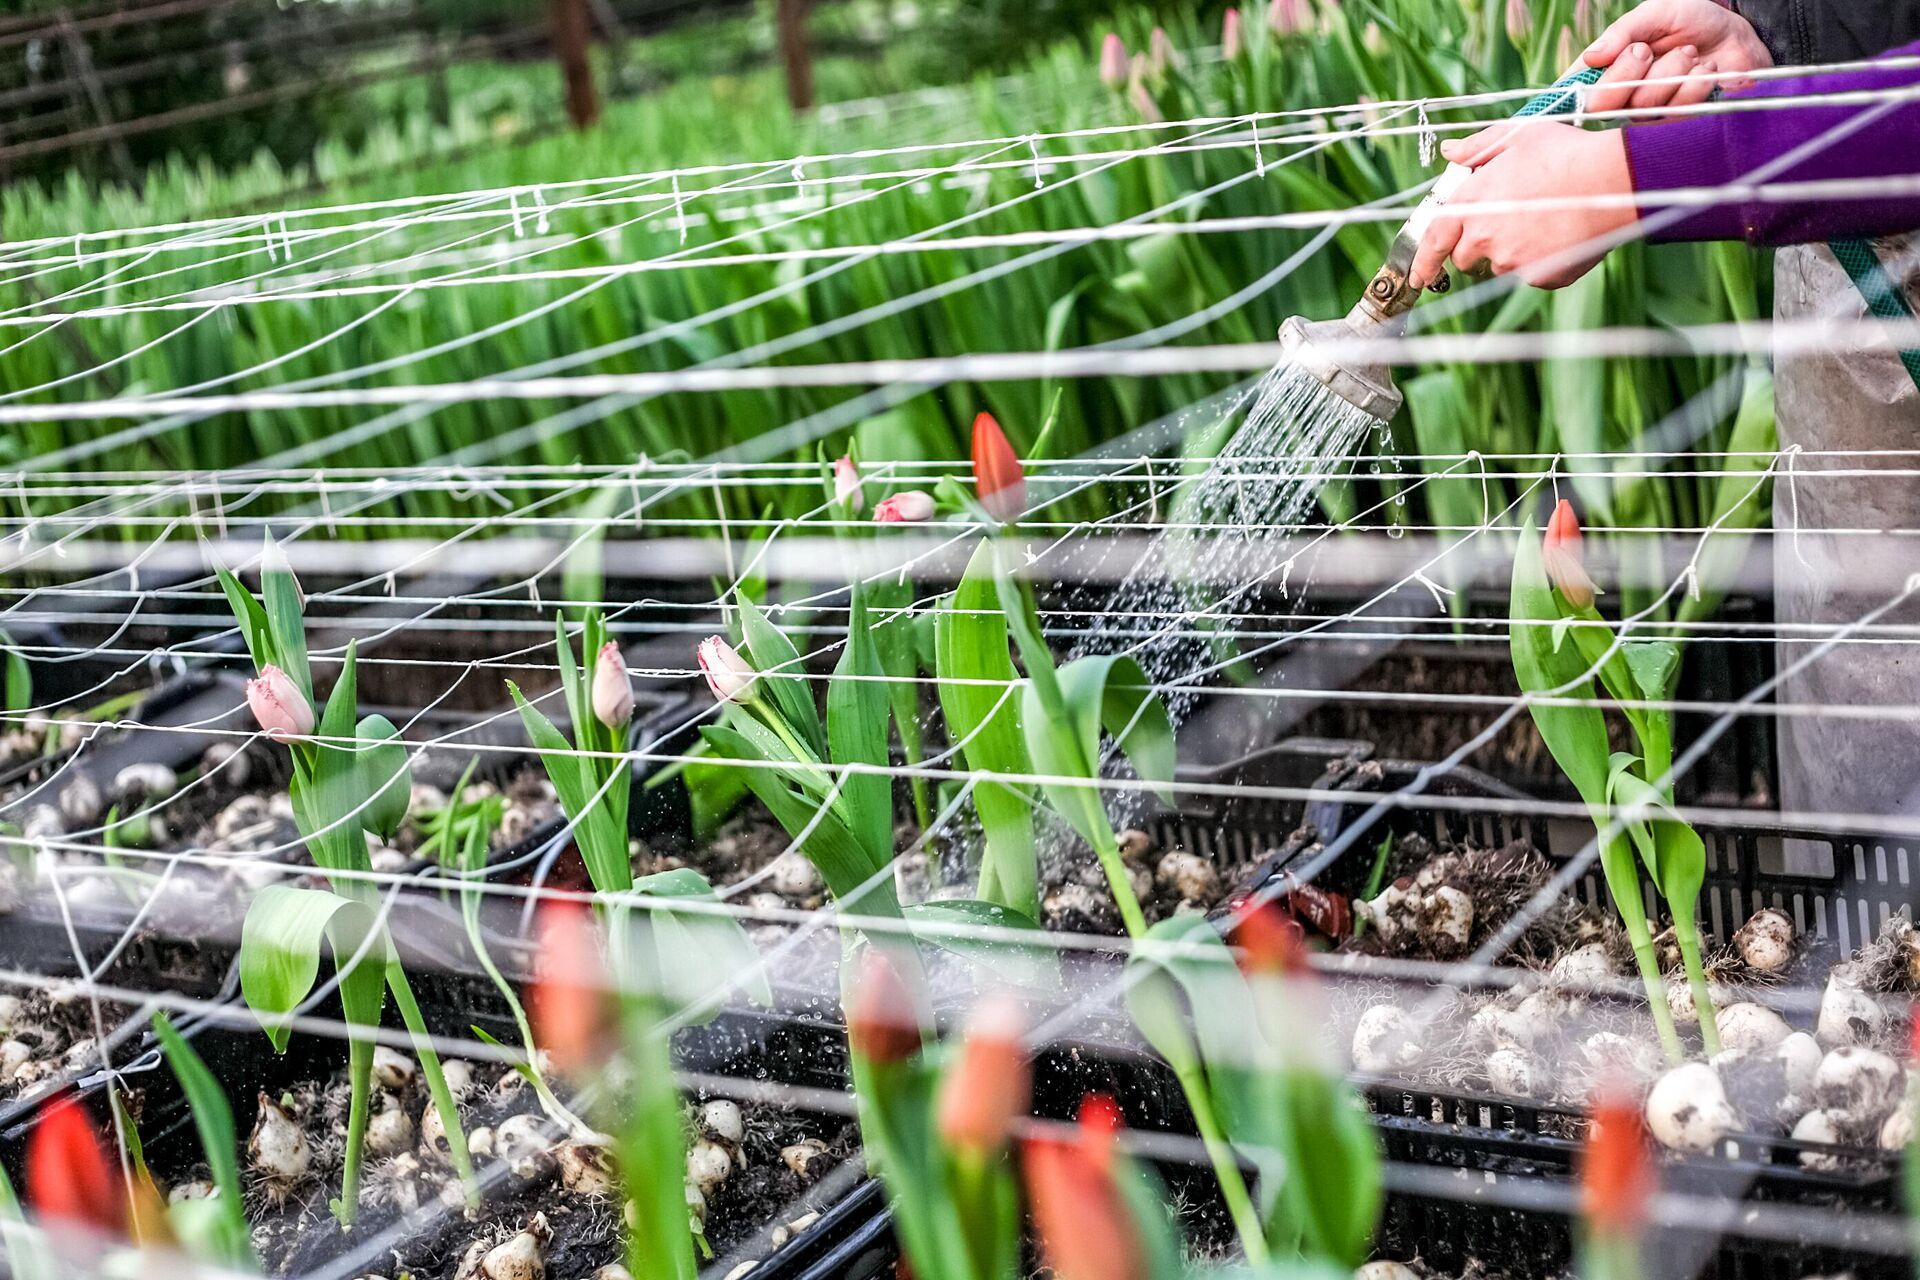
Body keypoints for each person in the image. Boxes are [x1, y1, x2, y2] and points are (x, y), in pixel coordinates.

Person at [1408, 0, 1920, 824]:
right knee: (1861, 737)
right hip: (1845, 239)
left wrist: (1633, 178)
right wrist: (1777, 36)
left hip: (1857, 173)